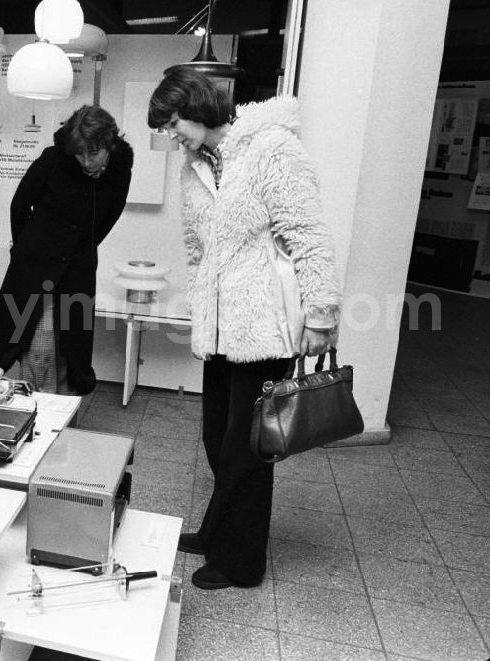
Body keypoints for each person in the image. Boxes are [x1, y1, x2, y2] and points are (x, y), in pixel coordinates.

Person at [147, 69, 341, 589]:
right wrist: (198, 306)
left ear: (196, 107)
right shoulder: (195, 166)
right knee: (217, 437)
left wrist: (322, 314)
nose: (171, 137)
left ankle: (241, 561)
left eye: (171, 124)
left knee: (247, 447)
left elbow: (307, 233)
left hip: (262, 325)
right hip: (219, 329)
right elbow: (197, 249)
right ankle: (218, 532)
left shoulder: (272, 148)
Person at [0, 105, 133, 395]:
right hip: (34, 266)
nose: (86, 161)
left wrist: (77, 251)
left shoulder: (119, 173)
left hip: (77, 272)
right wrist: (27, 251)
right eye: (79, 154)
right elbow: (20, 206)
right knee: (36, 345)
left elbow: (106, 221)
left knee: (69, 349)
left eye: (94, 153)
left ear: (110, 144)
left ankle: (60, 416)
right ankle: (33, 408)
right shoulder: (54, 160)